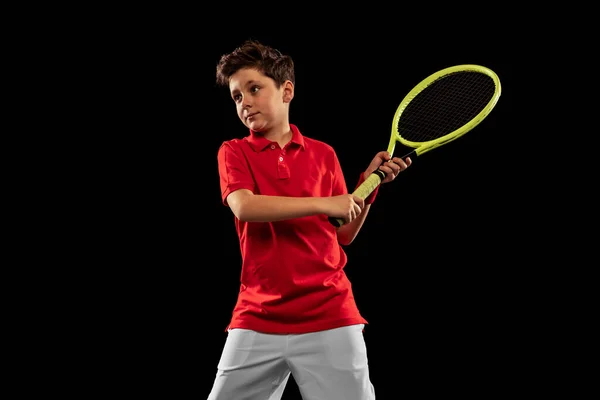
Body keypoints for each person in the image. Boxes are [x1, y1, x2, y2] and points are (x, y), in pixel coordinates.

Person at [208, 39, 412, 400]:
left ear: (286, 90)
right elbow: (245, 206)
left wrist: (367, 186)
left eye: (254, 89)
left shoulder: (323, 153)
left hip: (329, 312)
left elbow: (343, 234)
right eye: (237, 96)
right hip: (258, 315)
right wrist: (325, 203)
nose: (245, 102)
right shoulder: (234, 151)